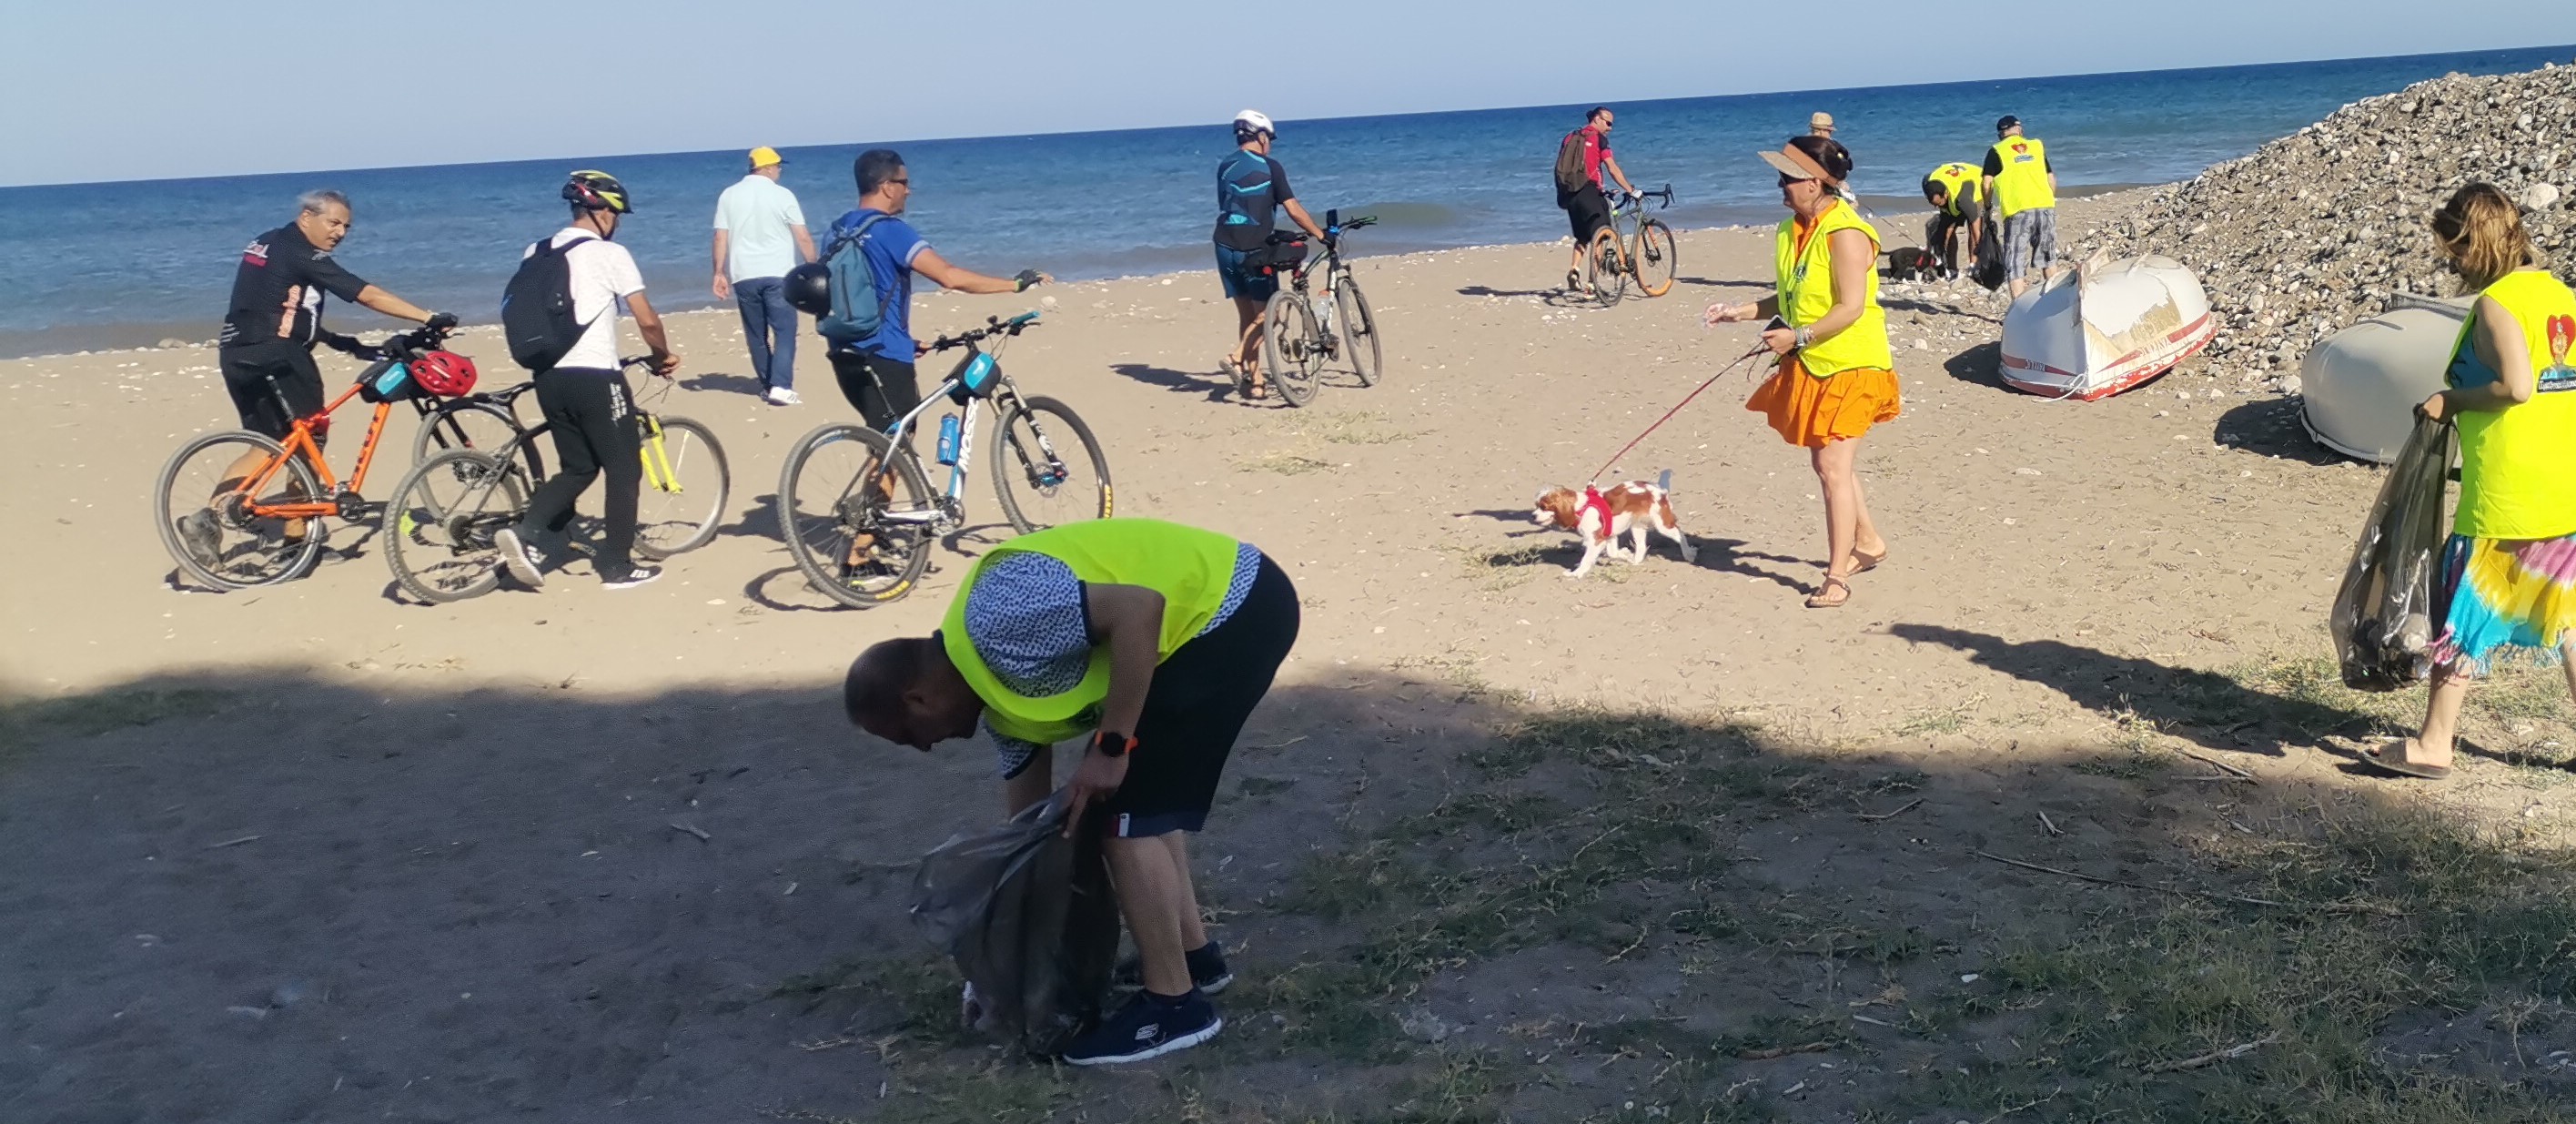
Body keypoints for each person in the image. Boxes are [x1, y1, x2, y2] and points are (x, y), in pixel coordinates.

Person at [844, 518, 1300, 1065]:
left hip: (1233, 607)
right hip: (1206, 628)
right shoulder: (1002, 710)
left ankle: (1176, 1009)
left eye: (908, 737)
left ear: (918, 699)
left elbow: (1140, 609)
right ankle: (1192, 959)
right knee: (1130, 808)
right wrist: (996, 976)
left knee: (1124, 816)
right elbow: (1033, 840)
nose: (923, 749)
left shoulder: (997, 622)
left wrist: (1111, 747)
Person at [2366, 184, 2576, 780]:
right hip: (2564, 481)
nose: (2449, 263)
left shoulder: (2499, 303)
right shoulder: (2558, 295)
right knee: (2567, 616)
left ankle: (2434, 744)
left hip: (2509, 489)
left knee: (2466, 611)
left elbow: (2516, 386)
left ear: (2472, 242)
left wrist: (2450, 400)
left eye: (2452, 251)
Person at [177, 190, 455, 561]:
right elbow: (364, 294)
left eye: (346, 227)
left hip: (235, 353)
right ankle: (298, 542)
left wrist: (341, 341)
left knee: (266, 444)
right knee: (311, 437)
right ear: (307, 217)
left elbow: (274, 304)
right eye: (333, 222)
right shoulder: (302, 253)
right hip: (279, 356)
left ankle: (206, 521)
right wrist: (428, 317)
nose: (340, 233)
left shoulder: (266, 242)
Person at [1705, 137, 1898, 609]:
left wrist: (1799, 337)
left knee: (1833, 466)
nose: (1780, 186)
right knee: (1828, 464)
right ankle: (1869, 543)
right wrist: (1741, 311)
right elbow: (1789, 298)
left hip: (1853, 363)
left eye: (1788, 179)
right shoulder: (1789, 230)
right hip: (1812, 361)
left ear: (1815, 182)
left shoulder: (1847, 233)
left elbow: (1851, 307)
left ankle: (1837, 576)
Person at [492, 171, 682, 592]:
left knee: (578, 467)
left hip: (548, 377)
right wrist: (661, 355)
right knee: (623, 468)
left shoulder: (536, 250)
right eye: (617, 214)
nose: (618, 223)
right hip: (595, 376)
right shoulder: (609, 255)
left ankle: (525, 535)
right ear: (604, 214)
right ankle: (616, 565)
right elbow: (647, 319)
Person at [822, 149, 1045, 435]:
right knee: (896, 446)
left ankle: (880, 476)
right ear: (887, 188)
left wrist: (906, 340)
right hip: (884, 355)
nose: (909, 191)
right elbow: (948, 277)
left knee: (883, 441)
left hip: (843, 352)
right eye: (904, 183)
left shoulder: (836, 230)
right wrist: (1014, 285)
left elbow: (853, 292)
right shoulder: (891, 230)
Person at [1212, 110, 1327, 400]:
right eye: (1270, 139)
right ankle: (1236, 356)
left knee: (1248, 316)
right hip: (1254, 250)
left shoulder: (1224, 166)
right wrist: (1320, 233)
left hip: (1224, 246)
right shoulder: (1270, 166)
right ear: (1261, 136)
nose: (1271, 144)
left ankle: (1256, 381)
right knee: (1269, 316)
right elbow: (1293, 209)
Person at [712, 146, 817, 406]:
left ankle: (768, 384)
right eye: (778, 166)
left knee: (756, 334)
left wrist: (718, 272)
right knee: (784, 330)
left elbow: (720, 236)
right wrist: (813, 267)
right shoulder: (782, 195)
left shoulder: (729, 195)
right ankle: (781, 385)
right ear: (768, 167)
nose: (780, 170)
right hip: (778, 272)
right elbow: (801, 235)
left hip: (743, 274)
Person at [1558, 106, 1638, 294]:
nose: (1610, 128)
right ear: (1596, 119)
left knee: (1582, 237)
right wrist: (1631, 189)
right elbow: (1612, 168)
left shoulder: (1569, 137)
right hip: (1590, 191)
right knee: (1600, 237)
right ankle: (1591, 283)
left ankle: (1574, 269)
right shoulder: (1599, 139)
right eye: (1608, 123)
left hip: (1570, 194)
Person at [1981, 116, 2059, 299]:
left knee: (2015, 259)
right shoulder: (2036, 146)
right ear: (2018, 129)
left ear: (2001, 134)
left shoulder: (1996, 151)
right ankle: (2057, 300)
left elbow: (1986, 183)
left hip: (2017, 209)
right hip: (2045, 205)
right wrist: (2049, 199)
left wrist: (1987, 205)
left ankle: (2020, 308)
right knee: (2048, 256)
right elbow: (2051, 178)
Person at [1921, 162, 1984, 280]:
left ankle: (1974, 266)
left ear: (1946, 194)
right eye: (1934, 204)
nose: (1936, 207)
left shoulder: (1963, 200)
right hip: (1952, 182)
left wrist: (1980, 246)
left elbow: (1976, 229)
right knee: (1946, 232)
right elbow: (1948, 228)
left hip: (1977, 183)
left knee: (1973, 230)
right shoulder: (1930, 184)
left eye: (1939, 204)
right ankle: (1952, 269)